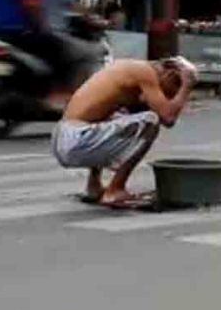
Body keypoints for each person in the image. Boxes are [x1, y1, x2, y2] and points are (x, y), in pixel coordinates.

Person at [52, 57, 198, 207]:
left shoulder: (129, 69)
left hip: (64, 137)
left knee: (115, 116)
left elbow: (129, 113)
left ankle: (94, 186)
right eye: (170, 90)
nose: (166, 96)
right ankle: (115, 190)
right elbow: (168, 118)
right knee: (150, 121)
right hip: (76, 138)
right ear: (169, 73)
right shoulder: (145, 72)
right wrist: (186, 87)